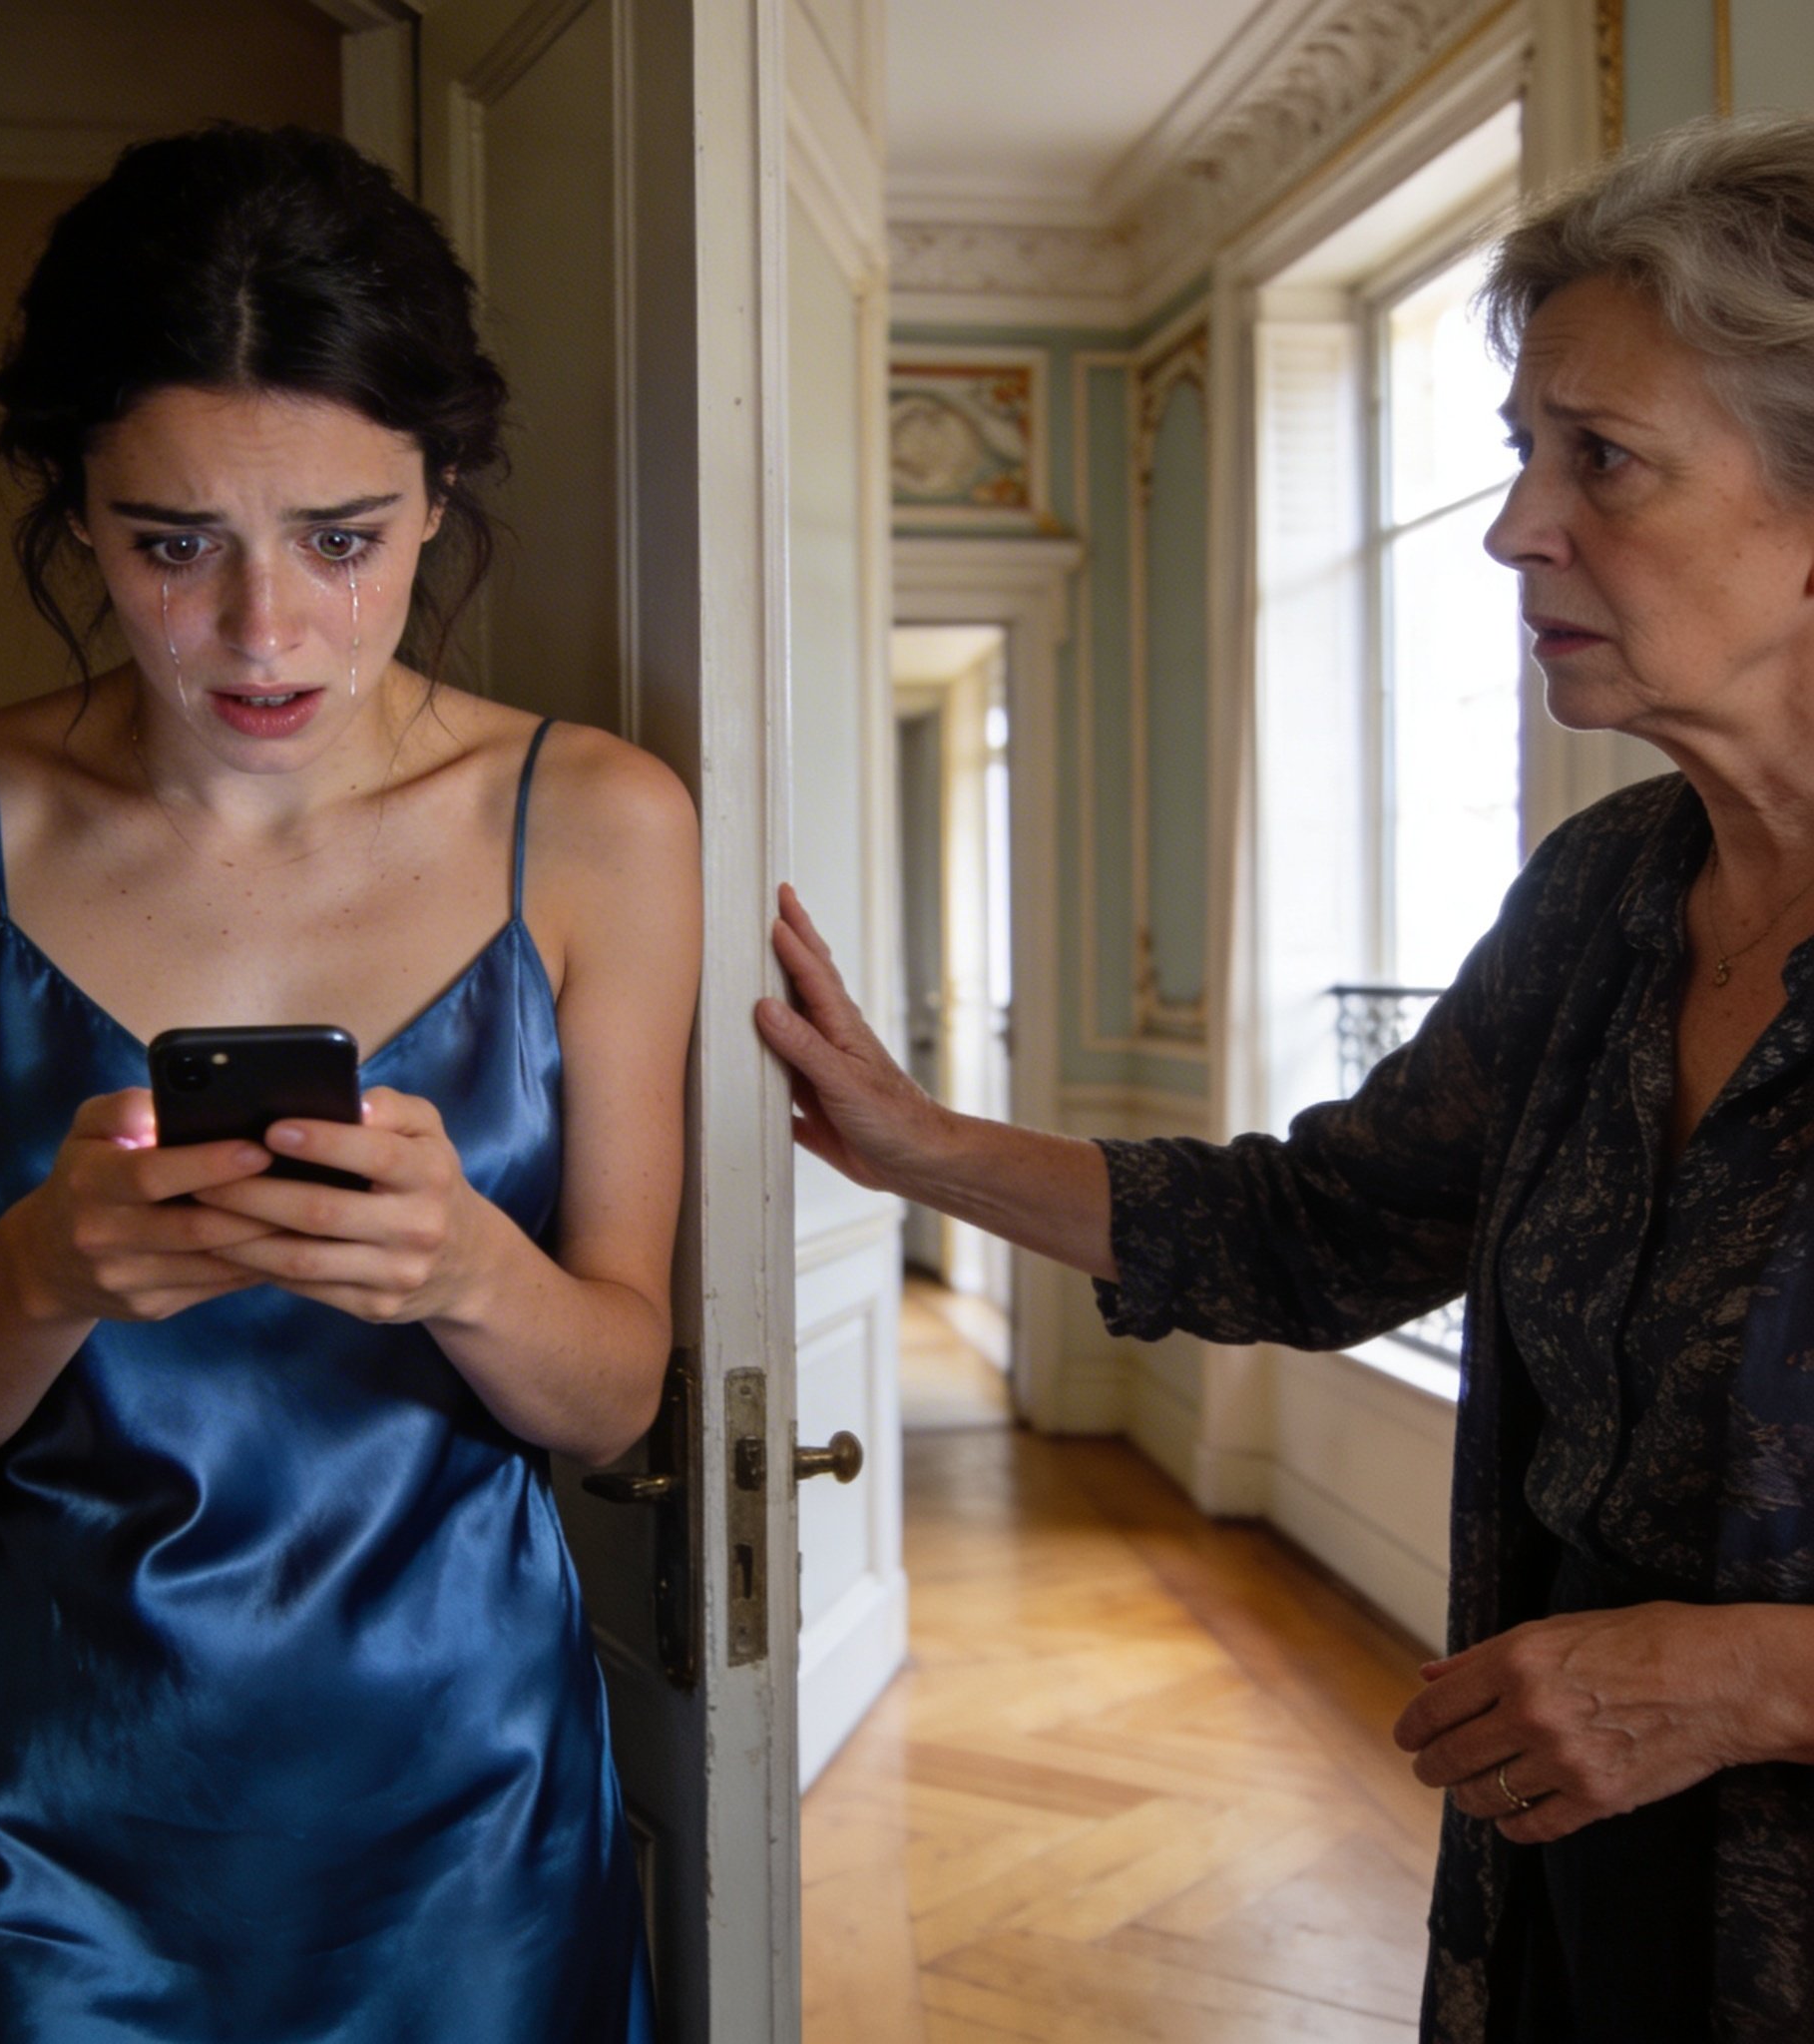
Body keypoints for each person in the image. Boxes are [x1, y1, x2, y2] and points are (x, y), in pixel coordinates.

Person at [757, 110, 1814, 2043]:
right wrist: (915, 1145)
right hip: (1580, 1866)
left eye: (1601, 458)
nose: (1515, 525)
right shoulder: (1603, 896)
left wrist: (1752, 1682)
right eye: (1520, 450)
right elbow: (1319, 1225)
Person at [0, 124, 699, 2043]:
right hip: (54, 1823)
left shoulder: (601, 823)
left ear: (440, 492)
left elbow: (617, 1394)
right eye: (173, 544)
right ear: (74, 509)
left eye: (340, 539)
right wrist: (42, 1275)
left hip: (469, 1811)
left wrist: (469, 1269)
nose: (264, 632)